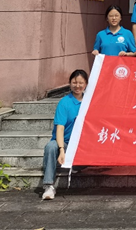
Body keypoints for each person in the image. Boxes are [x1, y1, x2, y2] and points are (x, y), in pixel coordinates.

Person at [42, 69, 88, 200]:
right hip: (66, 143)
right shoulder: (64, 102)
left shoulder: (89, 101)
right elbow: (60, 129)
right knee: (51, 147)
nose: (77, 86)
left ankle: (75, 165)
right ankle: (49, 186)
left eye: (81, 83)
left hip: (82, 145)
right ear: (70, 83)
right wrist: (62, 150)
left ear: (86, 84)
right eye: (74, 82)